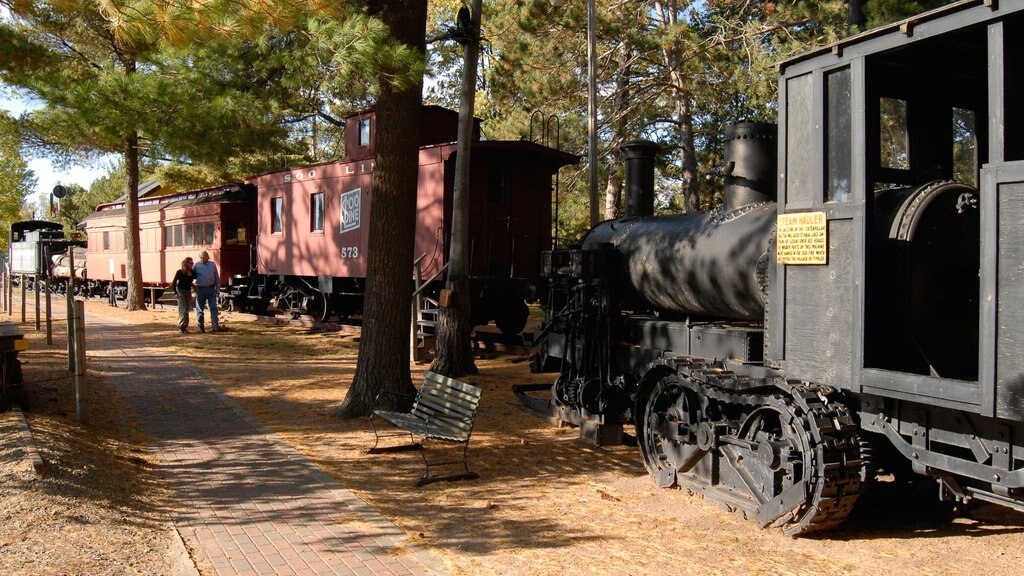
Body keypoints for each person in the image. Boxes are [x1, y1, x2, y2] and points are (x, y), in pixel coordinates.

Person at [193, 250, 220, 333]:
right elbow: (191, 276)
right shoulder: (196, 265)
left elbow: (216, 277)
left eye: (208, 255)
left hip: (211, 289)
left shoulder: (212, 264)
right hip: (200, 289)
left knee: (213, 308)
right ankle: (200, 327)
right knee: (200, 309)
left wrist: (217, 288)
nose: (208, 257)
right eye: (206, 255)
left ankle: (215, 327)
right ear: (201, 257)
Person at [170, 257, 196, 333]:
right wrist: (175, 293)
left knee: (187, 309)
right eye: (191, 263)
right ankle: (181, 326)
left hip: (188, 291)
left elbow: (190, 280)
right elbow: (174, 283)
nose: (192, 264)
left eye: (192, 263)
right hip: (180, 291)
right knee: (183, 309)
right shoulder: (180, 272)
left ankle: (185, 327)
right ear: (186, 264)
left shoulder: (192, 272)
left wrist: (193, 286)